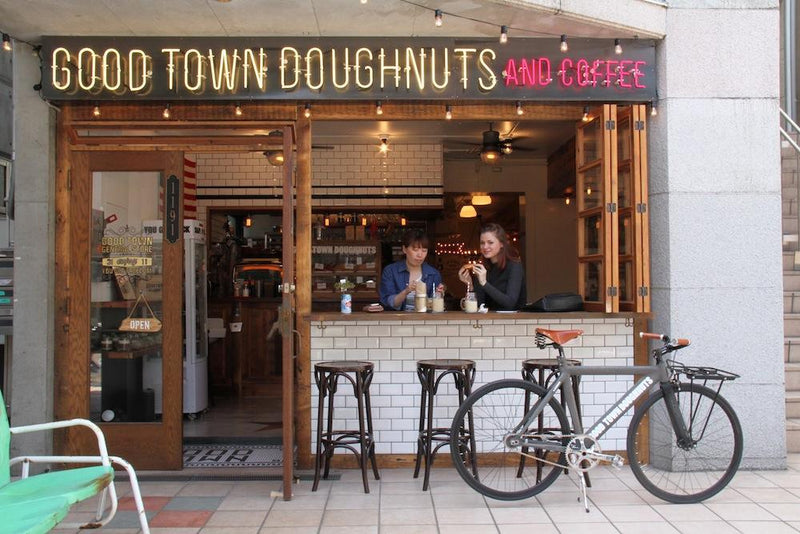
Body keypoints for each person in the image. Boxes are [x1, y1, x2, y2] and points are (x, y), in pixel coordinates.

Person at [458, 223, 526, 311]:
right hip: (489, 318)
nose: (485, 247)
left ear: (501, 244)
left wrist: (484, 283)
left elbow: (510, 303)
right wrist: (470, 285)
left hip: (514, 318)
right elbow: (479, 305)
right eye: (482, 243)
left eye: (490, 242)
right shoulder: (482, 268)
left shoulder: (514, 266)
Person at [380, 229, 443, 311]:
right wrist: (406, 291)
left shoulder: (433, 274)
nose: (420, 255)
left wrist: (438, 294)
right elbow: (387, 302)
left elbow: (434, 307)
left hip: (424, 318)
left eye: (424, 251)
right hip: (397, 318)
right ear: (404, 249)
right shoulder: (390, 271)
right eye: (415, 250)